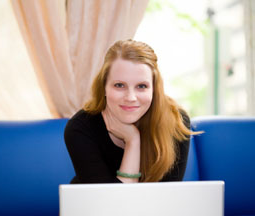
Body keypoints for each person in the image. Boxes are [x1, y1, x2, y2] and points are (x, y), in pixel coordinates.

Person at [64, 39, 198, 184]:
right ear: (104, 87)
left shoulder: (175, 121)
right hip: (92, 205)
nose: (131, 98)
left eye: (141, 86)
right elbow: (111, 204)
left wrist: (132, 139)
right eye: (119, 85)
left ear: (154, 89)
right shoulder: (81, 127)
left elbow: (168, 198)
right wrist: (133, 141)